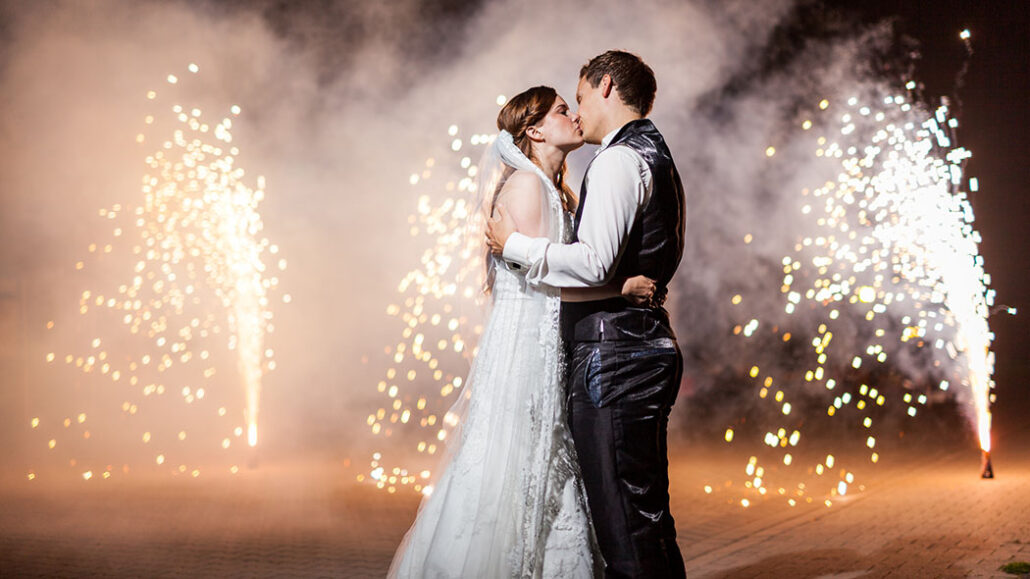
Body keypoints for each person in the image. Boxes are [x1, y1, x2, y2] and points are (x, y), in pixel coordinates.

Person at [389, 85, 655, 579]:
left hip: (544, 343)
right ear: (533, 131)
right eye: (561, 110)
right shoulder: (530, 187)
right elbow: (548, 282)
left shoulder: (550, 187)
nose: (574, 115)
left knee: (543, 467)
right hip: (525, 349)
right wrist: (623, 288)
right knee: (517, 467)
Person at [486, 51, 688, 578]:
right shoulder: (653, 152)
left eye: (577, 98)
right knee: (642, 518)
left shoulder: (621, 159)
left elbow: (594, 259)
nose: (577, 113)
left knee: (627, 526)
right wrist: (622, 285)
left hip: (617, 359)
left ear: (604, 87)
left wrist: (518, 248)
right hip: (631, 347)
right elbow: (606, 266)